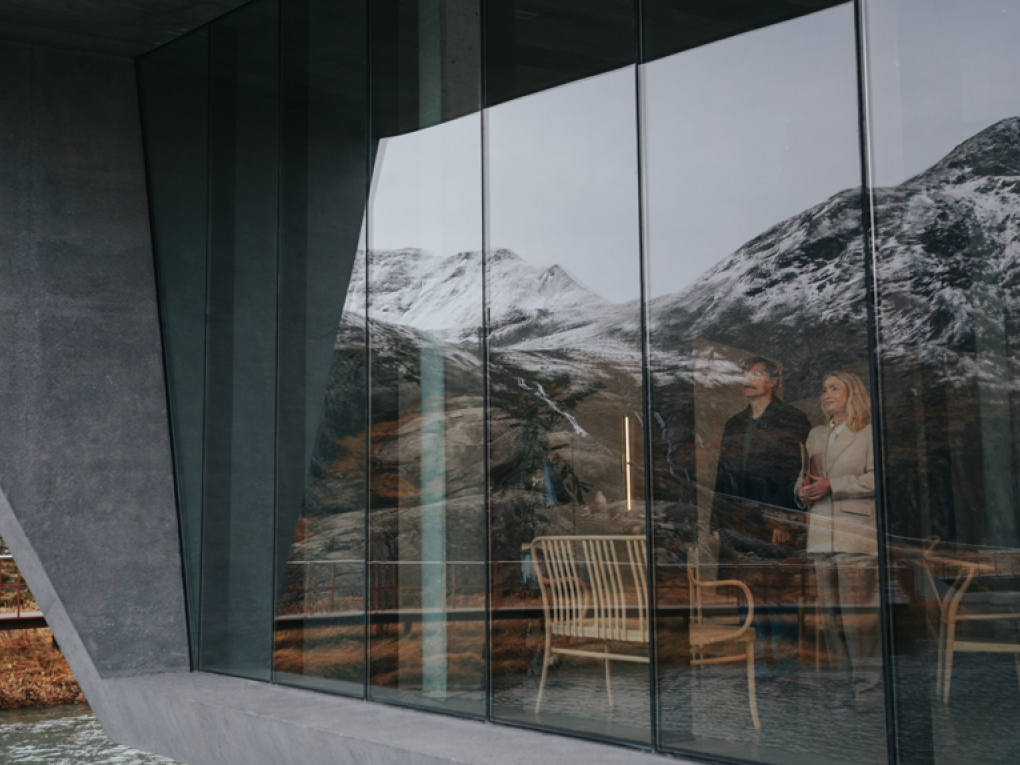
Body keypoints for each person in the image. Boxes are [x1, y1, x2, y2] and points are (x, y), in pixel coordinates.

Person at [710, 357, 812, 681]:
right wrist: (717, 523)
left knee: (779, 598)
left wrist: (786, 519)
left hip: (774, 524)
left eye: (755, 374)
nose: (747, 379)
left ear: (773, 381)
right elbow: (723, 477)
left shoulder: (792, 419)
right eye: (745, 374)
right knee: (747, 598)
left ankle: (786, 674)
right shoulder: (734, 424)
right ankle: (755, 672)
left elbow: (800, 472)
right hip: (738, 524)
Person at [795, 370, 880, 705]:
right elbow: (803, 478)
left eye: (834, 388)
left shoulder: (870, 432)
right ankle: (842, 688)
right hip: (820, 538)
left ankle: (869, 691)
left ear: (852, 393)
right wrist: (802, 491)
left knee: (861, 621)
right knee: (829, 621)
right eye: (824, 389)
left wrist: (834, 485)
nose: (826, 394)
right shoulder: (816, 434)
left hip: (855, 538)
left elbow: (878, 479)